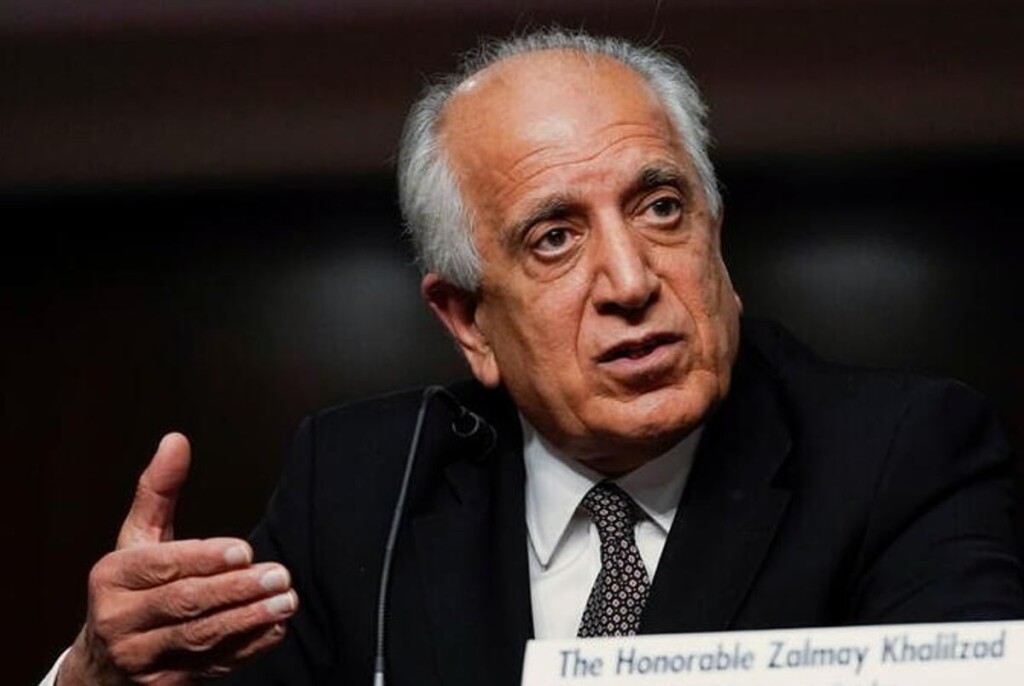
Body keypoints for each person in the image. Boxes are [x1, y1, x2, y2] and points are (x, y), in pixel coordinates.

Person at [42, 28, 1024, 686]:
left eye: (661, 208)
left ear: (716, 241)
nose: (630, 279)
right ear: (467, 320)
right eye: (554, 237)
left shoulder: (900, 454)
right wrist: (95, 673)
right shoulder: (359, 486)